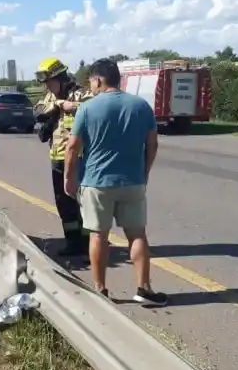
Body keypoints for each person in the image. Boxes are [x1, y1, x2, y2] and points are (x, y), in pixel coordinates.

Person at [63, 58, 167, 306]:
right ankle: (144, 288)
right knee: (137, 235)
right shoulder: (141, 106)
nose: (91, 86)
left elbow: (72, 147)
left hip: (96, 182)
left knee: (98, 235)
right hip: (132, 180)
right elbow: (152, 144)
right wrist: (145, 171)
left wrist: (69, 178)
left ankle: (100, 290)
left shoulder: (87, 108)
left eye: (91, 81)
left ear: (98, 79)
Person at [33, 57, 93, 256]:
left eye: (50, 81)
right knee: (64, 203)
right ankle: (72, 242)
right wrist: (56, 104)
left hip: (79, 157)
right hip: (57, 158)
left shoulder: (81, 94)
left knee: (83, 202)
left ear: (61, 77)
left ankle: (88, 245)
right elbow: (38, 109)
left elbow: (94, 110)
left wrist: (70, 106)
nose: (48, 86)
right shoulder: (51, 96)